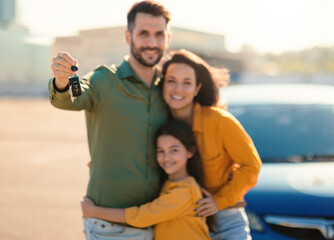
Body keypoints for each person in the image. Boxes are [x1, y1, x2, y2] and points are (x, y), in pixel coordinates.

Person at [48, 1, 172, 239]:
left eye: (159, 34)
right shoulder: (105, 80)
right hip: (110, 228)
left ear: (168, 38)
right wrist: (64, 81)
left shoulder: (169, 89)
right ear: (128, 36)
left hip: (160, 224)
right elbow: (75, 96)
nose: (152, 43)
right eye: (143, 34)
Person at [160, 49, 262, 240]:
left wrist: (219, 201)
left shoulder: (219, 120)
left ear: (197, 88)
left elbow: (251, 165)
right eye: (171, 81)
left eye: (187, 83)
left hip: (225, 221)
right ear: (162, 84)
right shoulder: (158, 125)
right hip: (182, 223)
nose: (178, 89)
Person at [81, 119, 212, 240]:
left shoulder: (185, 191)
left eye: (174, 150)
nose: (166, 157)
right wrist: (103, 172)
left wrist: (94, 212)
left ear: (190, 152)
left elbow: (143, 216)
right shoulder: (167, 183)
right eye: (160, 151)